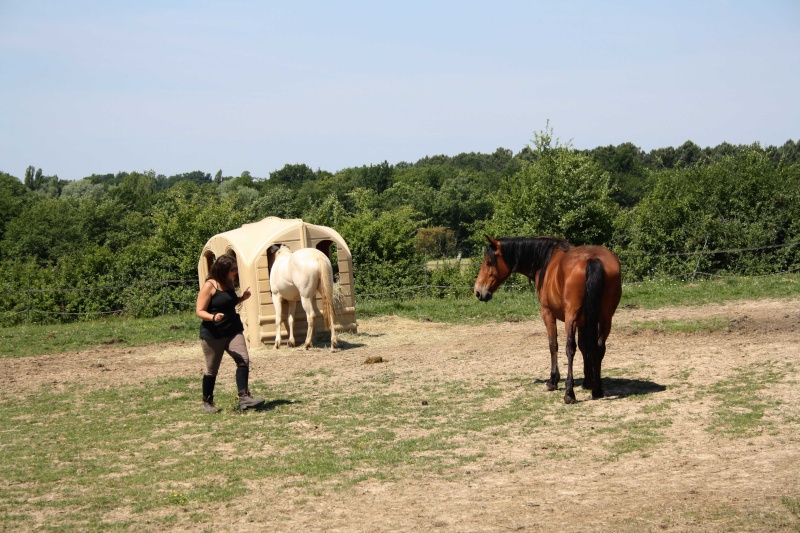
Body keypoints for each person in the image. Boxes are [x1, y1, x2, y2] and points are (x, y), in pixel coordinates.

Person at [196, 254, 265, 413]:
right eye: (233, 270)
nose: (236, 272)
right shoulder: (210, 285)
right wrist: (212, 317)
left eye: (236, 269)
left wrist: (241, 298)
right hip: (213, 333)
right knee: (212, 369)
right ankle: (208, 402)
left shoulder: (229, 282)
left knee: (243, 360)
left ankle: (244, 397)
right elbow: (199, 311)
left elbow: (228, 302)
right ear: (223, 270)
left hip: (233, 329)